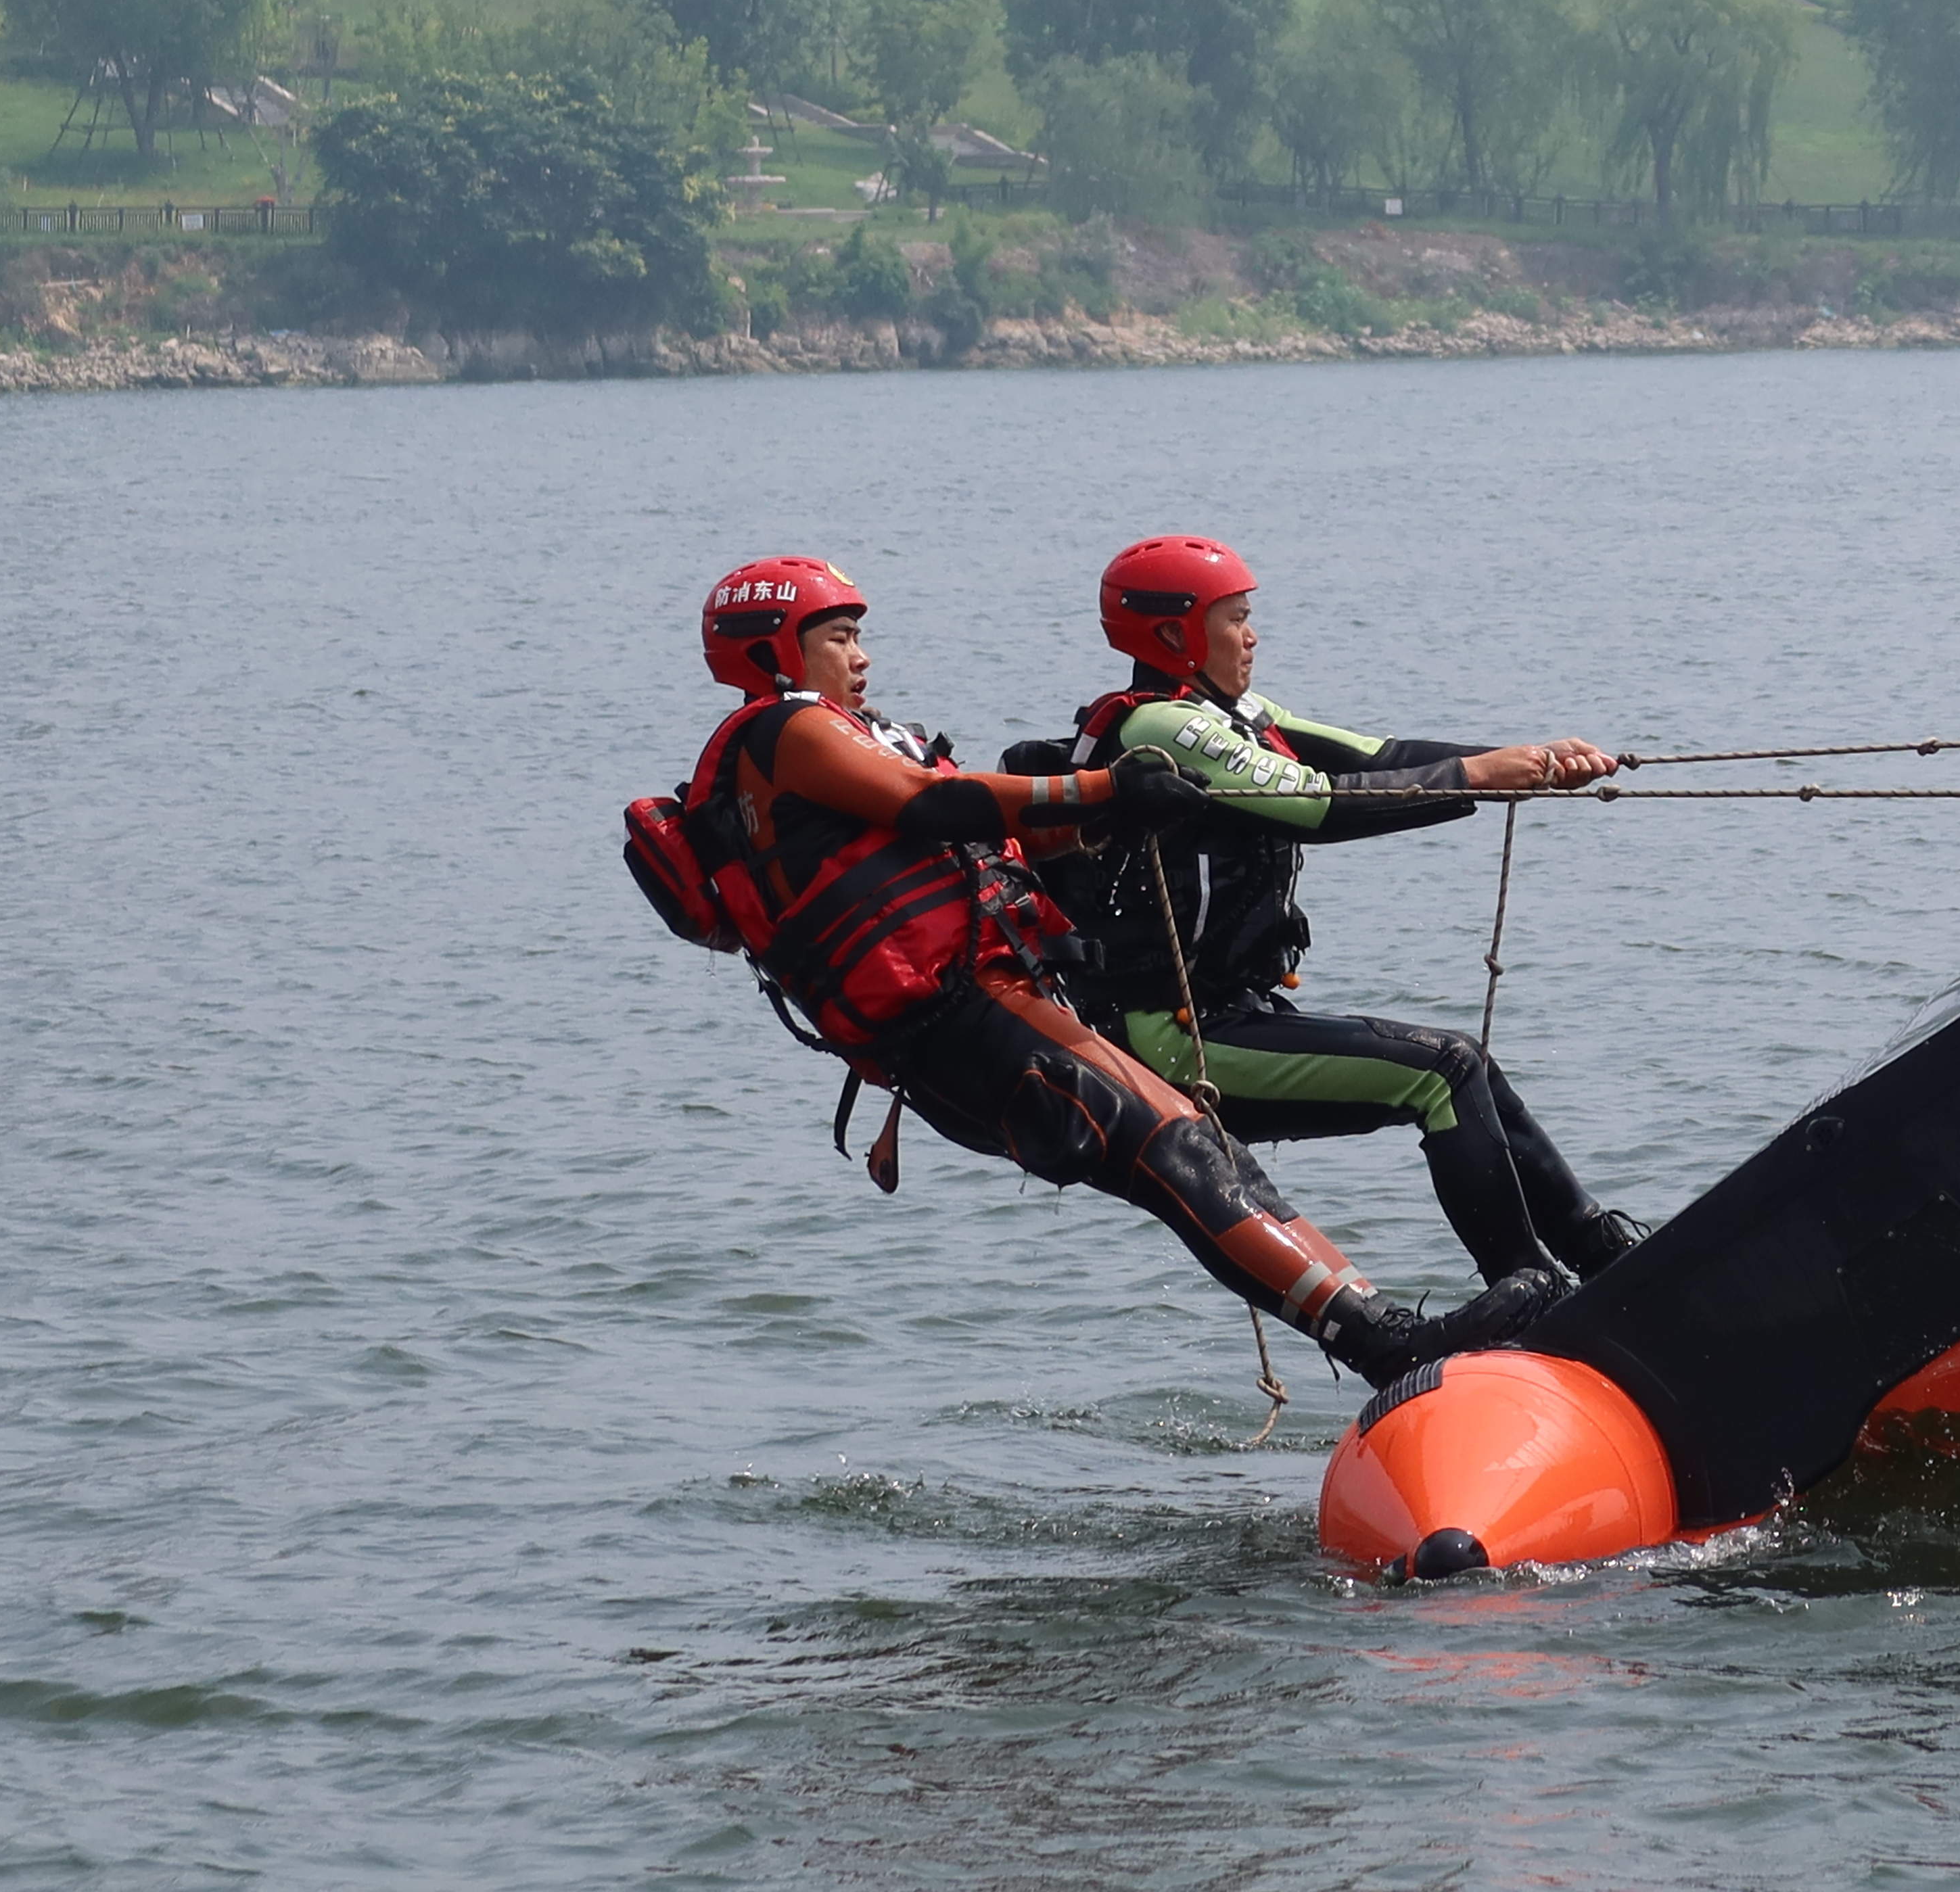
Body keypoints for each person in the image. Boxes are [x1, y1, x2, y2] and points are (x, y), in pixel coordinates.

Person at [629, 556, 1555, 1387]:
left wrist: (1107, 818)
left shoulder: (826, 738)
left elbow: (995, 829)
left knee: (1190, 1157)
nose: (861, 656)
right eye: (839, 637)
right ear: (773, 656)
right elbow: (928, 800)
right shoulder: (784, 730)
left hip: (969, 1028)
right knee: (1181, 1147)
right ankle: (1389, 1343)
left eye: (860, 636)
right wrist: (1108, 787)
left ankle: (1386, 1342)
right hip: (966, 1019)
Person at [1040, 535, 1646, 1287]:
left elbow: (1374, 756)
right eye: (1234, 619)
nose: (1252, 635)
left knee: (1468, 1067)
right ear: (1173, 635)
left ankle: (1606, 1259)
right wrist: (1476, 778)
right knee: (1442, 1072)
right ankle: (1530, 1289)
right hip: (1172, 1043)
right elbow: (1319, 807)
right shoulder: (1163, 730)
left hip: (1233, 1016)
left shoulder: (1236, 716)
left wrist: (1530, 760)